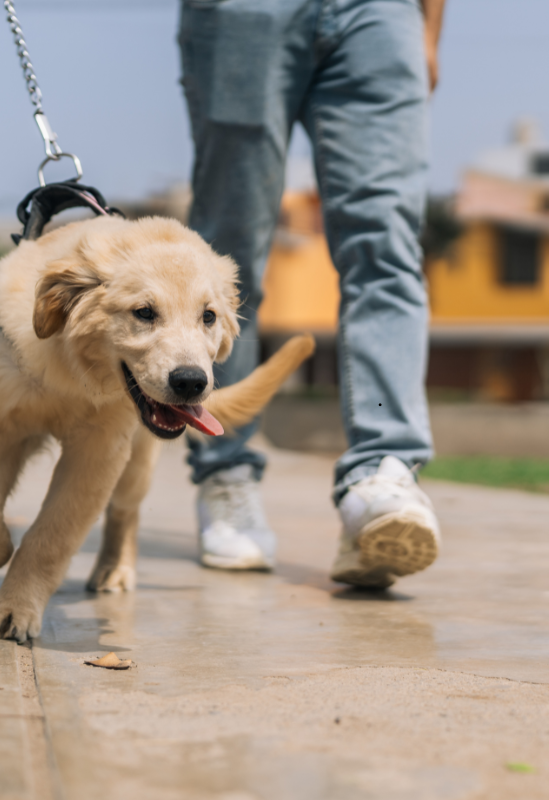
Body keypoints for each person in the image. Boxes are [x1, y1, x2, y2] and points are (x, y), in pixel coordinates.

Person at [178, 0, 446, 588]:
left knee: (386, 249)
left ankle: (382, 475)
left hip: (381, 15)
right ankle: (227, 470)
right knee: (229, 254)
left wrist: (428, 26)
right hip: (244, 15)